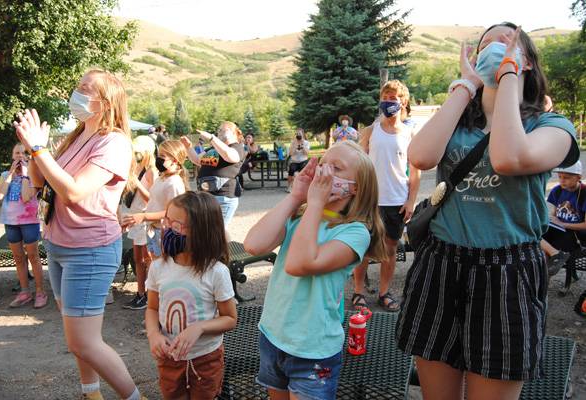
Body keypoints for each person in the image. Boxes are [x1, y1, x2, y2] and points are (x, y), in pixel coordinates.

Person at [396, 23, 579, 400]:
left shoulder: (552, 125)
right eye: (486, 45)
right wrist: (466, 85)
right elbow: (420, 156)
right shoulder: (458, 120)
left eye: (507, 42)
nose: (495, 47)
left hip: (508, 273)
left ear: (527, 61)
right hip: (441, 264)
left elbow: (509, 158)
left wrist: (508, 74)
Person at [15, 69, 145, 400]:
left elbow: (73, 192)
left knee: (83, 341)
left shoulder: (114, 142)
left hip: (89, 249)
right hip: (59, 244)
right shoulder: (75, 137)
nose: (78, 93)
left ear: (106, 102)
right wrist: (33, 151)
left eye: (87, 89)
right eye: (78, 86)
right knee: (77, 336)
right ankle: (92, 394)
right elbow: (41, 182)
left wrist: (40, 149)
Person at [244, 141, 387, 400]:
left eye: (336, 168)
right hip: (273, 335)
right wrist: (295, 196)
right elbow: (254, 244)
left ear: (356, 188)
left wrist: (314, 205)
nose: (324, 171)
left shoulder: (355, 232)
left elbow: (299, 264)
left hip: (313, 349)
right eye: (322, 164)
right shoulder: (301, 214)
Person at [145, 191, 237, 399]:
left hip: (206, 358)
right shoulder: (158, 267)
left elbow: (230, 319)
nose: (167, 229)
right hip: (169, 356)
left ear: (201, 232)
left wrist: (199, 327)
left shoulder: (217, 272)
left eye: (176, 225)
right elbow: (152, 308)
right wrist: (153, 334)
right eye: (166, 221)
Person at [353, 80, 421, 312]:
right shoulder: (370, 131)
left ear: (403, 101)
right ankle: (358, 292)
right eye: (385, 97)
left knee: (390, 249)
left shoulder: (410, 134)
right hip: (369, 201)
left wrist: (411, 201)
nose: (388, 102)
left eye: (393, 98)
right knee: (362, 247)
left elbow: (415, 171)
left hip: (396, 202)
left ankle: (384, 292)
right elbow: (358, 165)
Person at [0, 143, 47, 308]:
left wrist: (25, 174)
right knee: (18, 258)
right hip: (10, 222)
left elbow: (26, 197)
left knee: (33, 256)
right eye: (17, 153)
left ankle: (40, 292)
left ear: (30, 157)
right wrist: (10, 174)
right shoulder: (5, 175)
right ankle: (25, 292)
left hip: (29, 222)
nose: (20, 156)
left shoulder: (34, 175)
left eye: (24, 153)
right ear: (12, 156)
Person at [122, 140, 188, 261]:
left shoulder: (174, 183)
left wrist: (144, 216)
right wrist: (136, 219)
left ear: (174, 160)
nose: (158, 159)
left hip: (164, 232)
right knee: (153, 263)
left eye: (163, 156)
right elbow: (153, 202)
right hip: (153, 229)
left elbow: (174, 213)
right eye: (159, 155)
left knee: (163, 265)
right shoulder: (161, 179)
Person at [182, 122, 246, 227]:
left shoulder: (237, 147)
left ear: (232, 132)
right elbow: (197, 160)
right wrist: (188, 147)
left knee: (217, 232)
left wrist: (212, 138)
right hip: (208, 197)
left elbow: (230, 156)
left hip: (223, 197)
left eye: (222, 130)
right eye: (218, 130)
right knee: (207, 231)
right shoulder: (214, 149)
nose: (218, 132)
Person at [122, 135, 158, 310]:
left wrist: (137, 183)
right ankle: (141, 293)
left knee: (147, 259)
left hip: (145, 218)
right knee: (138, 259)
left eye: (138, 151)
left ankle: (150, 296)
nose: (135, 154)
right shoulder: (137, 167)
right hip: (134, 218)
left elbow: (153, 198)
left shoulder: (152, 171)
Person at [541, 161, 586, 276]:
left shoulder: (584, 193)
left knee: (549, 245)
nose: (562, 180)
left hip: (577, 236)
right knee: (538, 235)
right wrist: (552, 220)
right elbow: (554, 214)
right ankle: (543, 278)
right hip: (560, 230)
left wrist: (563, 224)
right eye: (559, 176)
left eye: (566, 177)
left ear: (579, 177)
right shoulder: (557, 190)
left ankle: (545, 277)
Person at [286, 128, 310, 193]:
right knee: (291, 170)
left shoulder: (306, 142)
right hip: (294, 161)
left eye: (299, 133)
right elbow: (291, 154)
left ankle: (305, 187)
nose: (298, 135)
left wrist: (302, 145)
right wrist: (295, 145)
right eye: (297, 133)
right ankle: (289, 186)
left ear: (303, 134)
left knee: (304, 172)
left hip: (303, 161)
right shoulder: (293, 142)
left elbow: (307, 153)